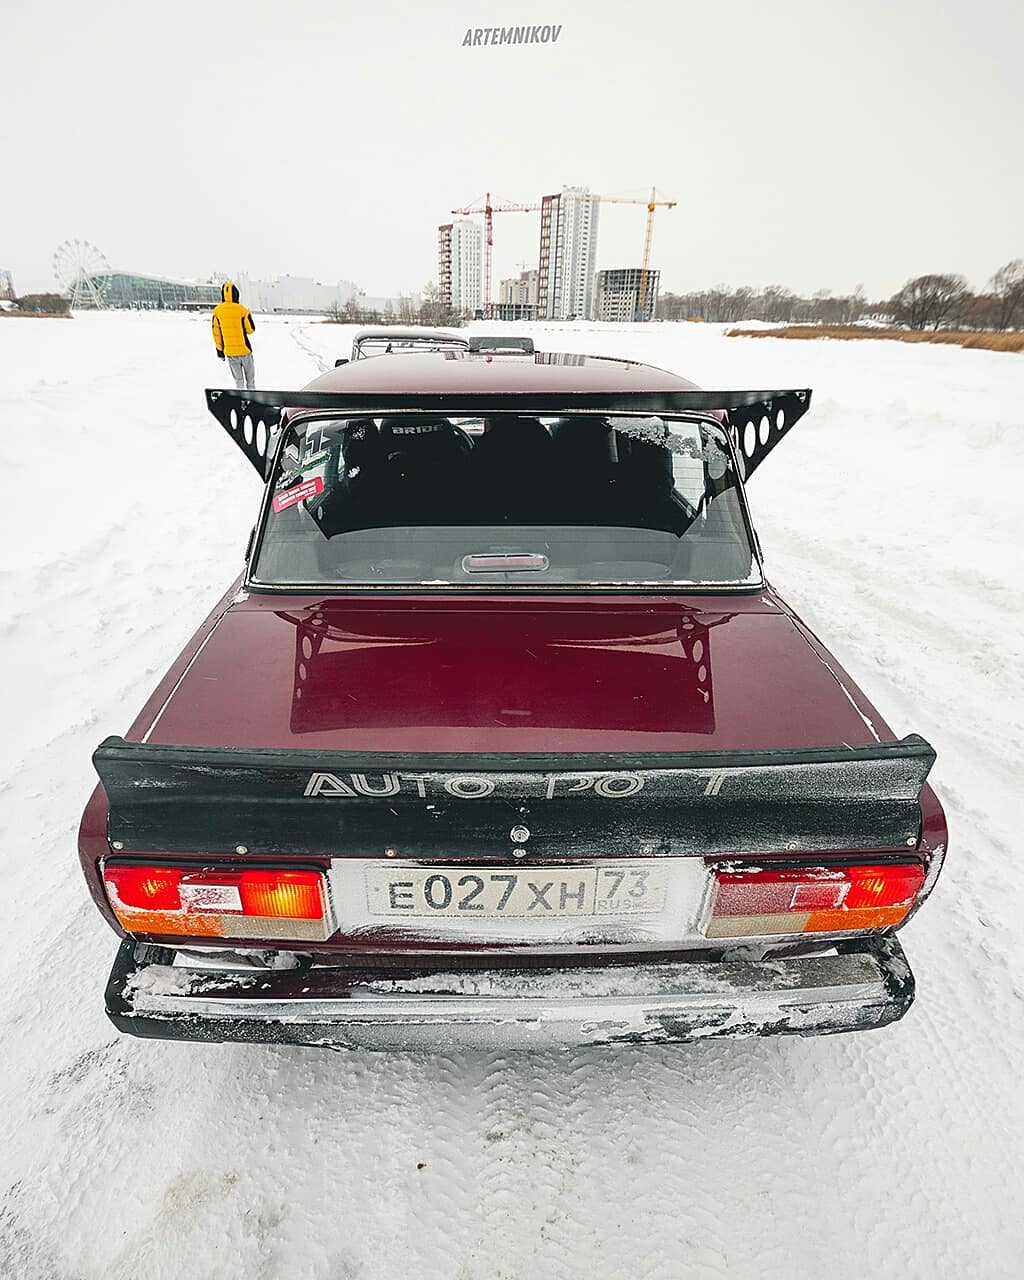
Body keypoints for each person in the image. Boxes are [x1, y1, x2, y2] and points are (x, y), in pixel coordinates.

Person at [212, 281, 256, 389]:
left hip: (230, 353)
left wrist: (220, 351)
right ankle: (253, 400)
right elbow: (250, 330)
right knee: (250, 380)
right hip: (245, 350)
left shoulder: (217, 311)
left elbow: (216, 334)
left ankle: (241, 400)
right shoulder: (242, 310)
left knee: (239, 381)